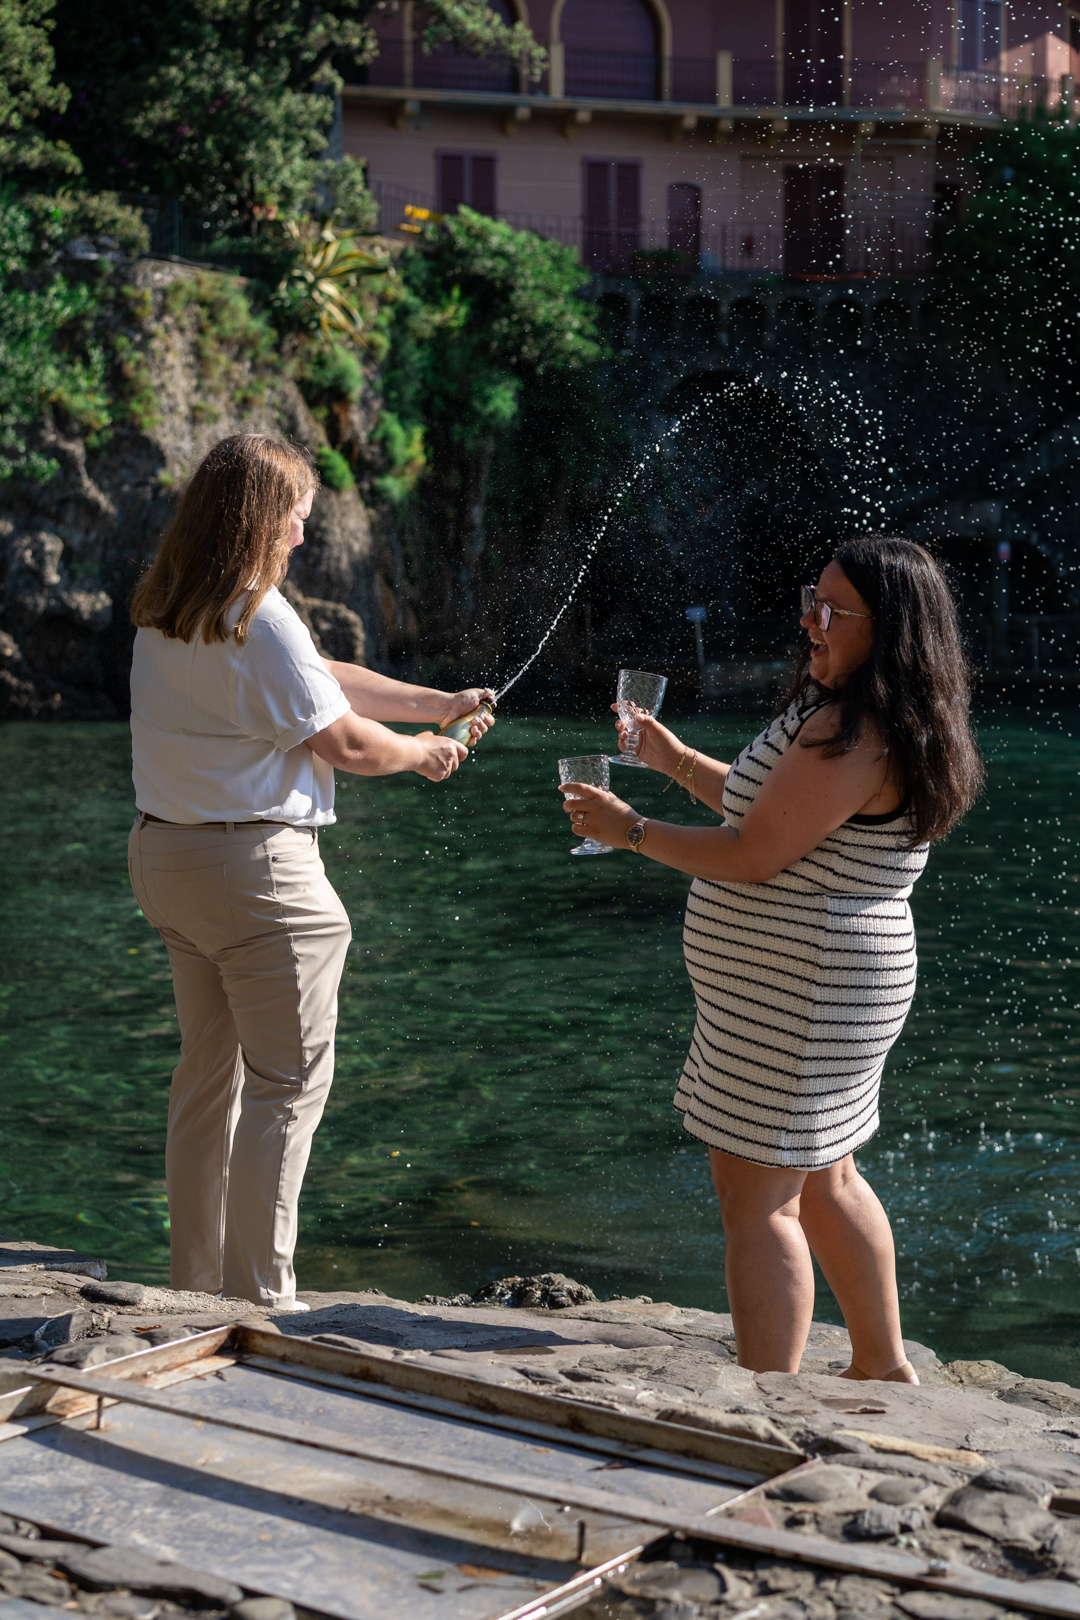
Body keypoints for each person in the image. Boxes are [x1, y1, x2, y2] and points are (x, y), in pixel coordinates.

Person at [559, 537, 982, 1379]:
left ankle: (766, 1405)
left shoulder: (852, 731)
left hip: (805, 990)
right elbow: (773, 810)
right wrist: (672, 759)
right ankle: (881, 1365)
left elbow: (754, 853)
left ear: (889, 628)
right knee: (825, 1176)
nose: (808, 621)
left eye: (832, 610)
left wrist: (630, 833)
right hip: (811, 985)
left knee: (758, 1201)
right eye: (809, 599)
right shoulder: (857, 714)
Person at [127, 433, 493, 1310]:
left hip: (168, 859)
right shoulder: (262, 618)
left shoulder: (172, 607)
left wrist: (435, 704)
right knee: (286, 1086)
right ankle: (263, 1304)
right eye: (295, 515)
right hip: (256, 876)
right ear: (258, 518)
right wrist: (424, 754)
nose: (300, 532)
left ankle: (197, 1292)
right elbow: (345, 741)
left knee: (207, 1077)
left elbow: (321, 681)